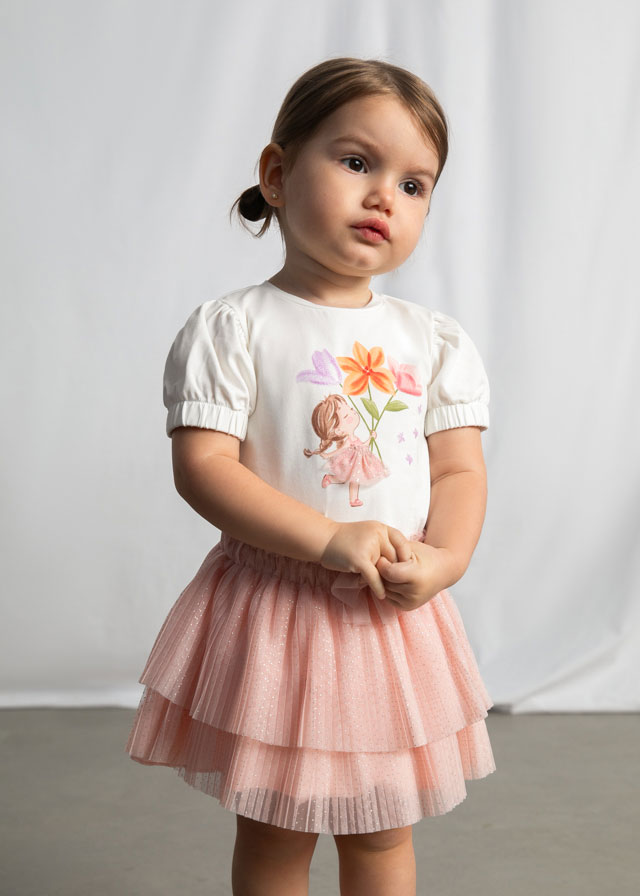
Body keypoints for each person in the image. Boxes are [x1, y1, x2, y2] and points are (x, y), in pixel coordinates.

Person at [125, 56, 496, 896]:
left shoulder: (433, 341)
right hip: (277, 614)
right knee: (276, 831)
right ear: (277, 175)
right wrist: (327, 538)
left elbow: (460, 469)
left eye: (414, 185)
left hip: (387, 618)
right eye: (357, 162)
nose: (384, 197)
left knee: (381, 831)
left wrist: (446, 559)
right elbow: (204, 468)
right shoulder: (235, 328)